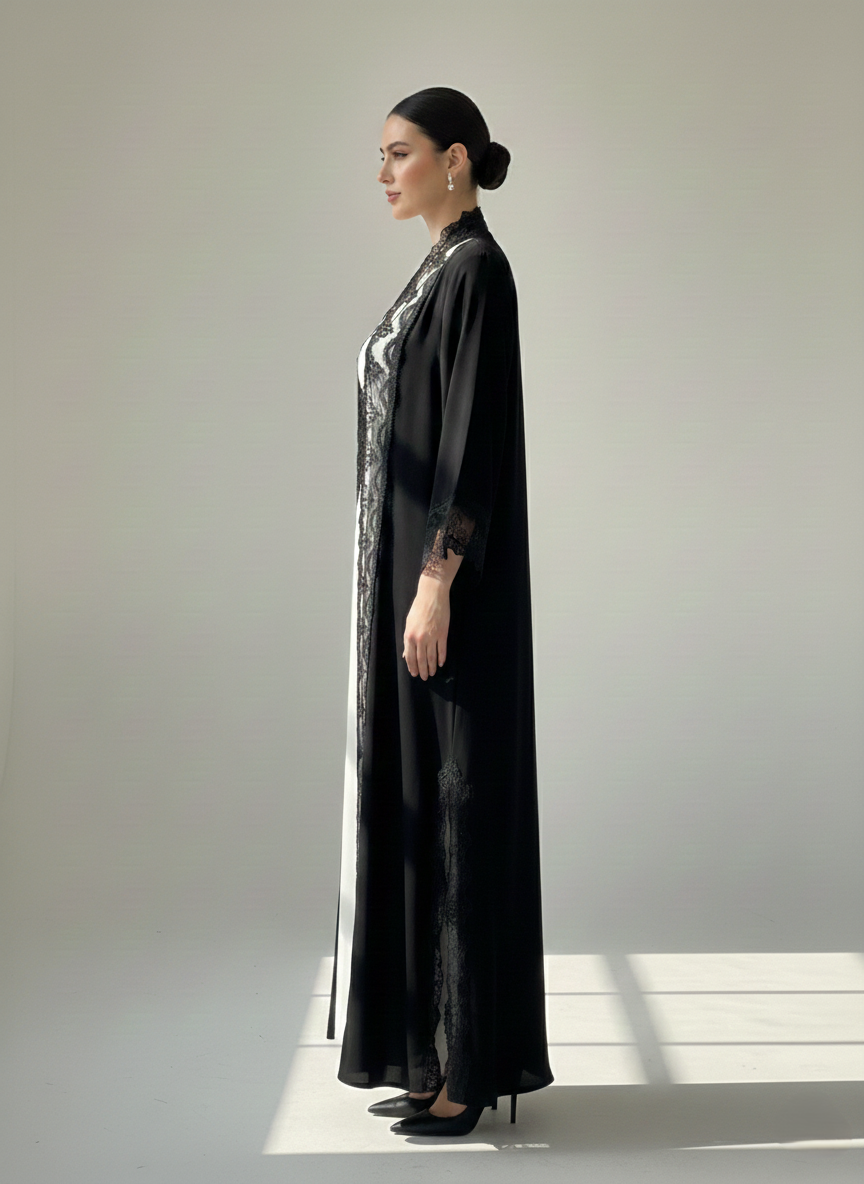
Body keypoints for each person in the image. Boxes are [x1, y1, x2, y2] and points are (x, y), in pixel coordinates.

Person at [326, 86, 554, 1138]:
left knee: (458, 808)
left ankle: (468, 1069)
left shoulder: (478, 273)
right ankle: (426, 1055)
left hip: (449, 594)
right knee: (418, 806)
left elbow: (470, 440)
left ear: (454, 159)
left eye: (399, 153)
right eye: (381, 155)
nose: (383, 172)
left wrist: (435, 581)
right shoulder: (436, 269)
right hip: (409, 586)